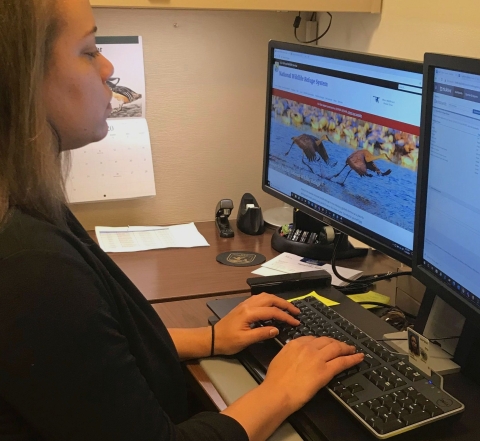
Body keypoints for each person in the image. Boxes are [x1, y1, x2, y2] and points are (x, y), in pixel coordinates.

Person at [0, 1, 364, 440]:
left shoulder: (24, 206)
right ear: (22, 79)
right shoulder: (34, 265)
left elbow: (91, 354)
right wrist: (281, 389)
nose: (108, 66)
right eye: (89, 50)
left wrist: (209, 340)